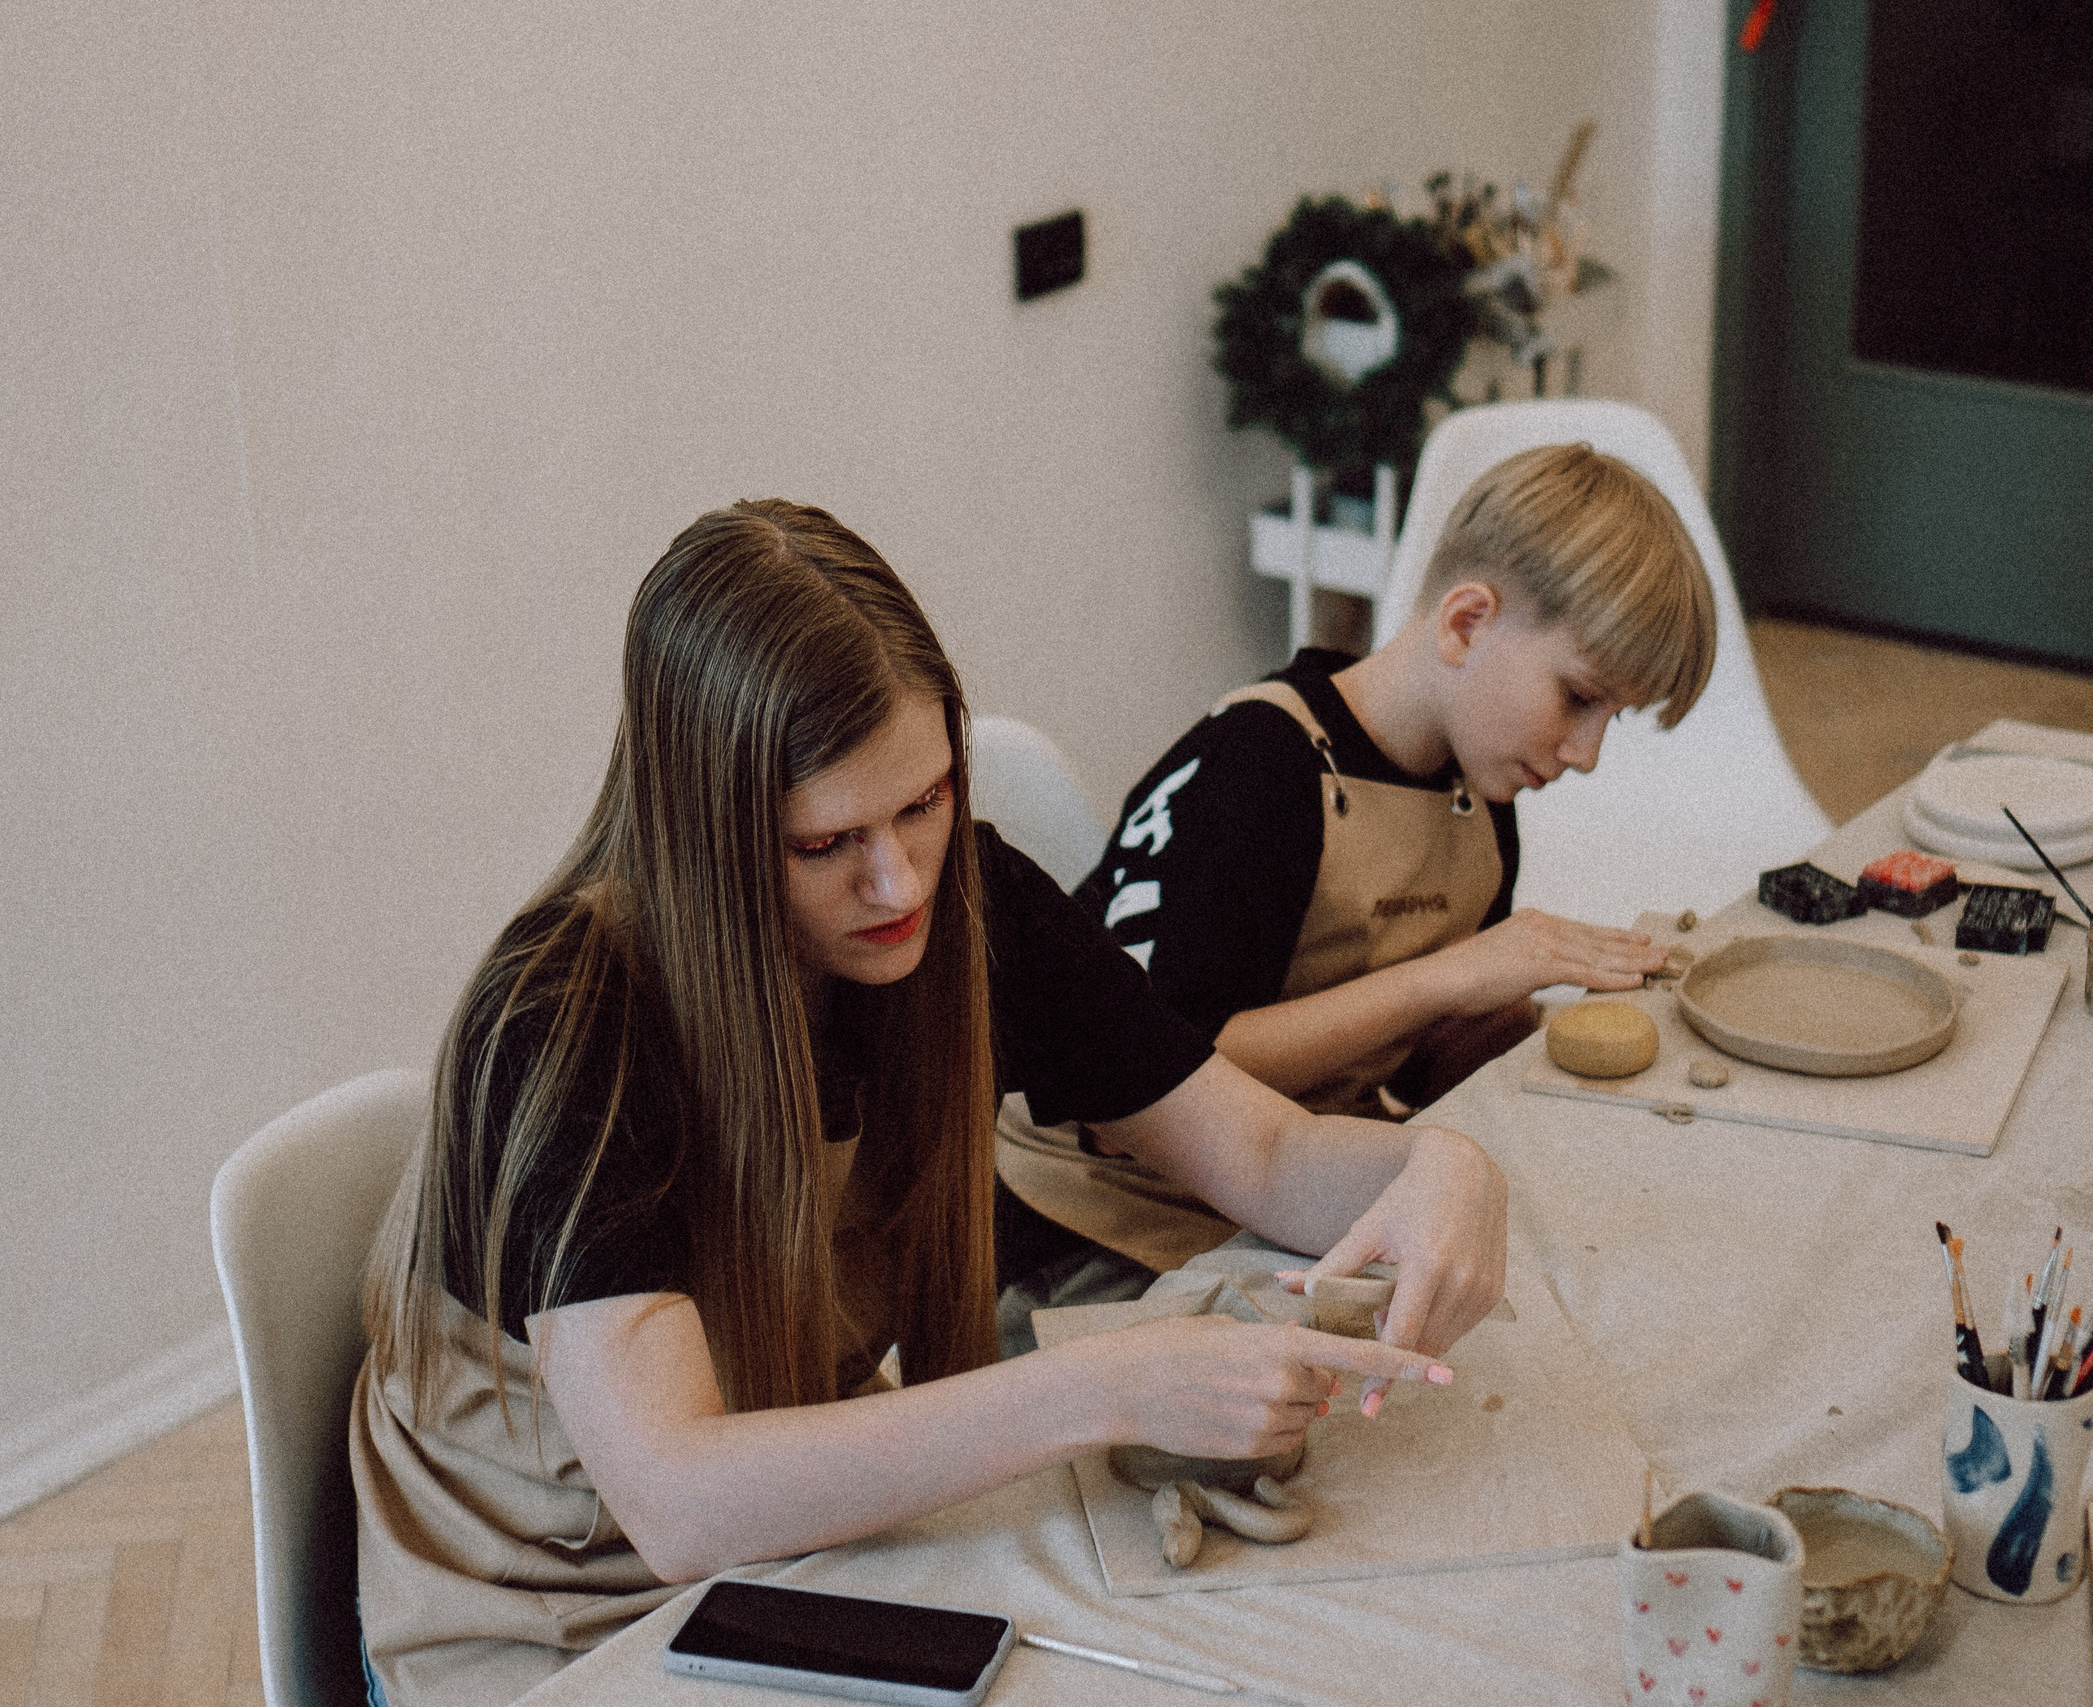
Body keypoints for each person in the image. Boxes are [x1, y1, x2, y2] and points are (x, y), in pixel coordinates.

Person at [349, 500, 1508, 1707]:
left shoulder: (964, 903)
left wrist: (1439, 1171)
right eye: (824, 842)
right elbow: (679, 1499)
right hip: (553, 1624)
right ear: (705, 830)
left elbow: (1260, 1150)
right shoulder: (566, 1016)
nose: (897, 880)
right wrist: (1108, 1384)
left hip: (789, 1548)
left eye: (925, 800)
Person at [995, 443, 1715, 1296]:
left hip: (1290, 1188)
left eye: (1614, 719)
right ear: (1465, 622)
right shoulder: (1256, 767)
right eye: (1579, 696)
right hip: (1099, 1227)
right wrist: (1444, 980)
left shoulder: (1483, 791)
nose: (1587, 753)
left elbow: (1399, 1067)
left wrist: (1516, 1033)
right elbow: (1145, 1089)